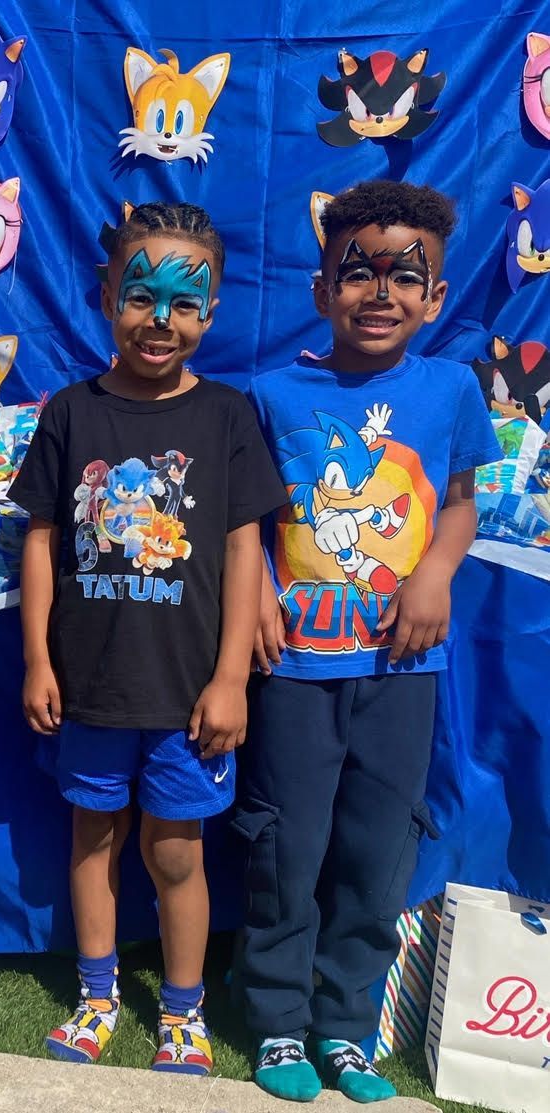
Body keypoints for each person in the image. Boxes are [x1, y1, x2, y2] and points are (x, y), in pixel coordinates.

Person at [9, 202, 285, 1073]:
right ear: (105, 296)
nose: (159, 319)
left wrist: (232, 676)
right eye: (140, 295)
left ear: (211, 311)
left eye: (183, 302)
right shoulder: (69, 413)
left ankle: (181, 1009)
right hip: (89, 685)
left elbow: (248, 549)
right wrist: (38, 658)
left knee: (176, 850)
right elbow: (43, 542)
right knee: (94, 837)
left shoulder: (228, 418)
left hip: (188, 694)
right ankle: (96, 996)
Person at [242, 180, 500, 1103]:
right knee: (287, 845)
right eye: (358, 273)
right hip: (296, 673)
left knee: (375, 848)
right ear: (321, 289)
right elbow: (250, 523)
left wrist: (433, 573)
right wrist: (261, 598)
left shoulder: (451, 389)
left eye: (405, 278)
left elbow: (461, 504)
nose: (380, 293)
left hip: (402, 670)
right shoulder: (271, 396)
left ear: (435, 297)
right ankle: (275, 1021)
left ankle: (345, 1024)